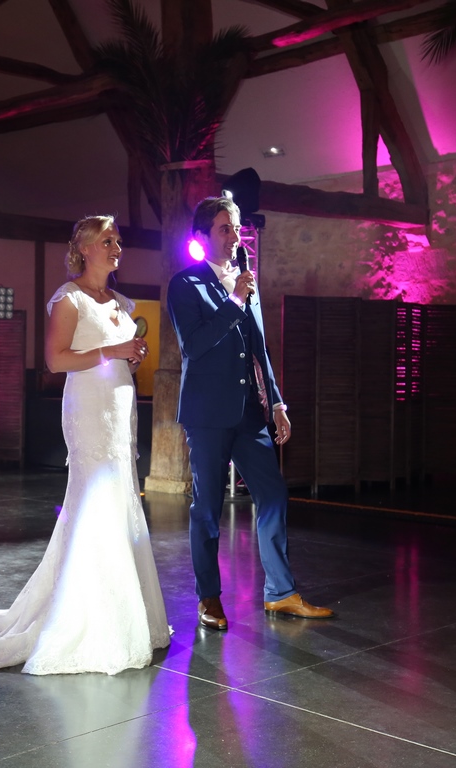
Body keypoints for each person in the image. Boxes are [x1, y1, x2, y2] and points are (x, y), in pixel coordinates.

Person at [0, 215, 170, 674]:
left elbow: (117, 357)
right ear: (85, 249)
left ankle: (123, 613)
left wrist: (131, 356)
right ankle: (81, 618)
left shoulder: (120, 303)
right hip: (89, 411)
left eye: (118, 241)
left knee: (120, 500)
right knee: (93, 502)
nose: (116, 247)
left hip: (119, 409)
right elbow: (55, 359)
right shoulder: (69, 298)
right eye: (107, 241)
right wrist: (112, 352)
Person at [167, 196, 334, 631]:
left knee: (274, 494)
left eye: (237, 228)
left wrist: (276, 403)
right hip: (207, 414)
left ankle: (280, 593)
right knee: (207, 507)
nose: (234, 235)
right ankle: (209, 597)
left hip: (248, 413)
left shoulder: (246, 281)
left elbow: (260, 348)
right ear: (202, 236)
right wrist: (235, 301)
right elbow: (194, 346)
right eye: (225, 228)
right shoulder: (185, 284)